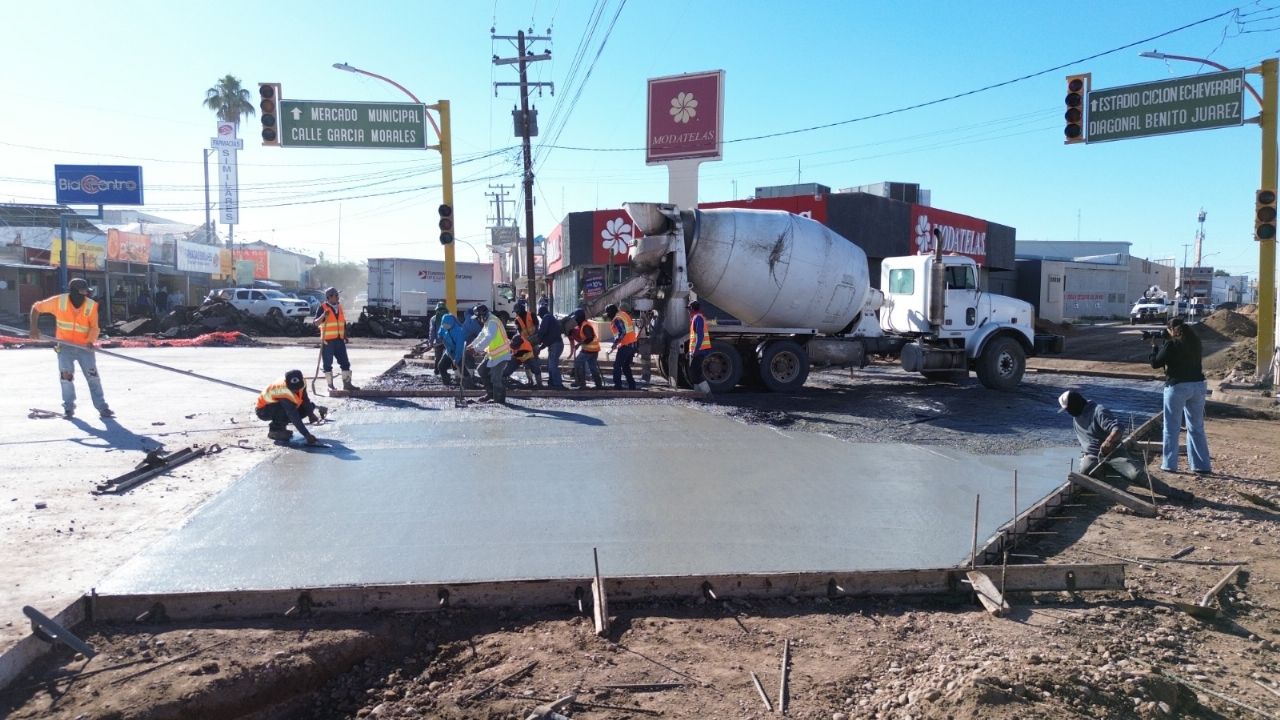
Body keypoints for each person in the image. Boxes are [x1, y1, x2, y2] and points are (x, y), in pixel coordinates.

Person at [1058, 390, 1193, 503]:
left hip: (1112, 453)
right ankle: (1110, 485)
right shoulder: (1076, 415)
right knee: (1086, 469)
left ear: (1077, 403)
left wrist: (1109, 441)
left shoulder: (1098, 411)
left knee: (1135, 474)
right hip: (1093, 456)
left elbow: (1118, 428)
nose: (1069, 413)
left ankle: (1172, 492)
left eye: (1069, 409)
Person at [29, 278, 114, 419]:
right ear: (74, 292)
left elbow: (94, 327)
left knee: (93, 378)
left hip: (84, 347)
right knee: (66, 378)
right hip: (65, 346)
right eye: (82, 292)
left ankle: (102, 408)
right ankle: (68, 408)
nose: (85, 295)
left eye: (86, 292)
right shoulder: (59, 301)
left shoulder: (91, 306)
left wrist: (90, 341)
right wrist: (33, 328)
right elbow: (36, 308)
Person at [1151, 318, 1211, 475]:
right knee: (1196, 428)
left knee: (1171, 428)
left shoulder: (1171, 344)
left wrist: (1154, 347)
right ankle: (1201, 466)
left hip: (1178, 387)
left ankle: (1169, 465)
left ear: (1171, 329)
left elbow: (1156, 363)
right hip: (1198, 386)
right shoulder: (1195, 343)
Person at [255, 369, 324, 444]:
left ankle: (281, 426)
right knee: (283, 409)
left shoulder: (303, 382)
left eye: (298, 387)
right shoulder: (282, 390)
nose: (296, 390)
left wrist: (311, 414)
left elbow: (305, 399)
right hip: (264, 411)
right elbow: (292, 414)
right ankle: (275, 430)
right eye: (293, 388)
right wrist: (306, 435)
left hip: (280, 407)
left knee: (310, 406)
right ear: (287, 384)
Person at [314, 287, 358, 391]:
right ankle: (330, 386)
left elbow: (342, 322)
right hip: (328, 341)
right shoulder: (323, 307)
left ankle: (347, 384)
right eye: (336, 295)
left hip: (339, 340)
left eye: (338, 295)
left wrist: (345, 336)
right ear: (329, 297)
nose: (338, 297)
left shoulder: (340, 307)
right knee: (327, 365)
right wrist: (323, 315)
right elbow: (316, 323)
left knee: (345, 363)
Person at [467, 304, 512, 403]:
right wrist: (472, 345)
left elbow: (489, 337)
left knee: (496, 378)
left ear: (483, 315)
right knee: (481, 370)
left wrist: (476, 349)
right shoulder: (488, 322)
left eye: (479, 317)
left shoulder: (492, 322)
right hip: (493, 354)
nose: (478, 320)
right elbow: (481, 335)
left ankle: (499, 400)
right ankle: (490, 393)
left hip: (501, 355)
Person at [605, 303, 639, 390]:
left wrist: (615, 344)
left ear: (611, 313)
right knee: (625, 366)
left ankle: (618, 385)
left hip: (626, 345)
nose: (607, 316)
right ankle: (632, 385)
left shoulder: (617, 319)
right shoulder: (623, 314)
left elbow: (622, 332)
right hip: (632, 344)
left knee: (617, 365)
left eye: (608, 314)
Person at [569, 308, 603, 389]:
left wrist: (579, 344)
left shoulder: (585, 326)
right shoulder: (583, 325)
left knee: (578, 363)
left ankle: (581, 383)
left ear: (579, 318)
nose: (575, 320)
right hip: (593, 350)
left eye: (576, 318)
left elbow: (589, 338)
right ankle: (598, 385)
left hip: (589, 350)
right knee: (592, 367)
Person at [534, 303, 565, 389]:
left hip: (556, 345)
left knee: (552, 365)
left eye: (539, 315)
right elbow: (548, 338)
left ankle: (558, 384)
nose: (539, 317)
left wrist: (536, 341)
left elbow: (542, 332)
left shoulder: (546, 318)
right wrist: (540, 347)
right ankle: (552, 382)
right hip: (556, 344)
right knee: (551, 364)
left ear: (541, 313)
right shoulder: (550, 318)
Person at [687, 299, 712, 394]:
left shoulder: (698, 318)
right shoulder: (696, 318)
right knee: (694, 373)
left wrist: (695, 350)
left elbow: (700, 336)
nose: (688, 311)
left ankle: (707, 393)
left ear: (692, 309)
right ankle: (698, 394)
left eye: (689, 309)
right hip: (698, 350)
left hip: (700, 351)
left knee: (695, 373)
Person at [436, 313, 467, 385]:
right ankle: (447, 382)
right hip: (449, 351)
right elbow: (440, 332)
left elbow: (460, 347)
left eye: (447, 324)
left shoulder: (459, 331)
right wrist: (440, 336)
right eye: (444, 324)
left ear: (451, 323)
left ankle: (468, 383)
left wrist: (456, 358)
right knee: (441, 366)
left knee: (462, 368)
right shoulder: (443, 326)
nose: (445, 326)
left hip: (458, 352)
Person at [428, 301, 449, 367]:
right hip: (448, 342)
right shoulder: (450, 317)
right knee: (449, 356)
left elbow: (432, 331)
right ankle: (446, 371)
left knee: (438, 357)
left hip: (439, 342)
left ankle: (437, 371)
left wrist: (431, 342)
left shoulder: (433, 318)